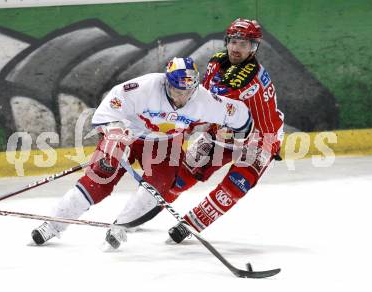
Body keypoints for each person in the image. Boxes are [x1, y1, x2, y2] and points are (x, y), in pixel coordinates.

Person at [30, 57, 253, 249]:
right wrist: (113, 137)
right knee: (100, 176)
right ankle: (52, 224)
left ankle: (122, 226)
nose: (182, 97)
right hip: (130, 134)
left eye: (188, 91)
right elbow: (107, 112)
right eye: (177, 90)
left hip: (166, 144)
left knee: (159, 185)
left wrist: (242, 136)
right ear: (167, 82)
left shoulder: (204, 100)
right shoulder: (142, 88)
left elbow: (241, 116)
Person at [109, 18, 284, 246]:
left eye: (244, 44)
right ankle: (130, 219)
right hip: (220, 135)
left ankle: (190, 224)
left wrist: (176, 125)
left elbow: (210, 111)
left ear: (254, 48)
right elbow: (196, 100)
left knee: (234, 186)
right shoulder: (216, 63)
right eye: (233, 41)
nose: (236, 48)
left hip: (260, 140)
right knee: (177, 178)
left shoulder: (248, 82)